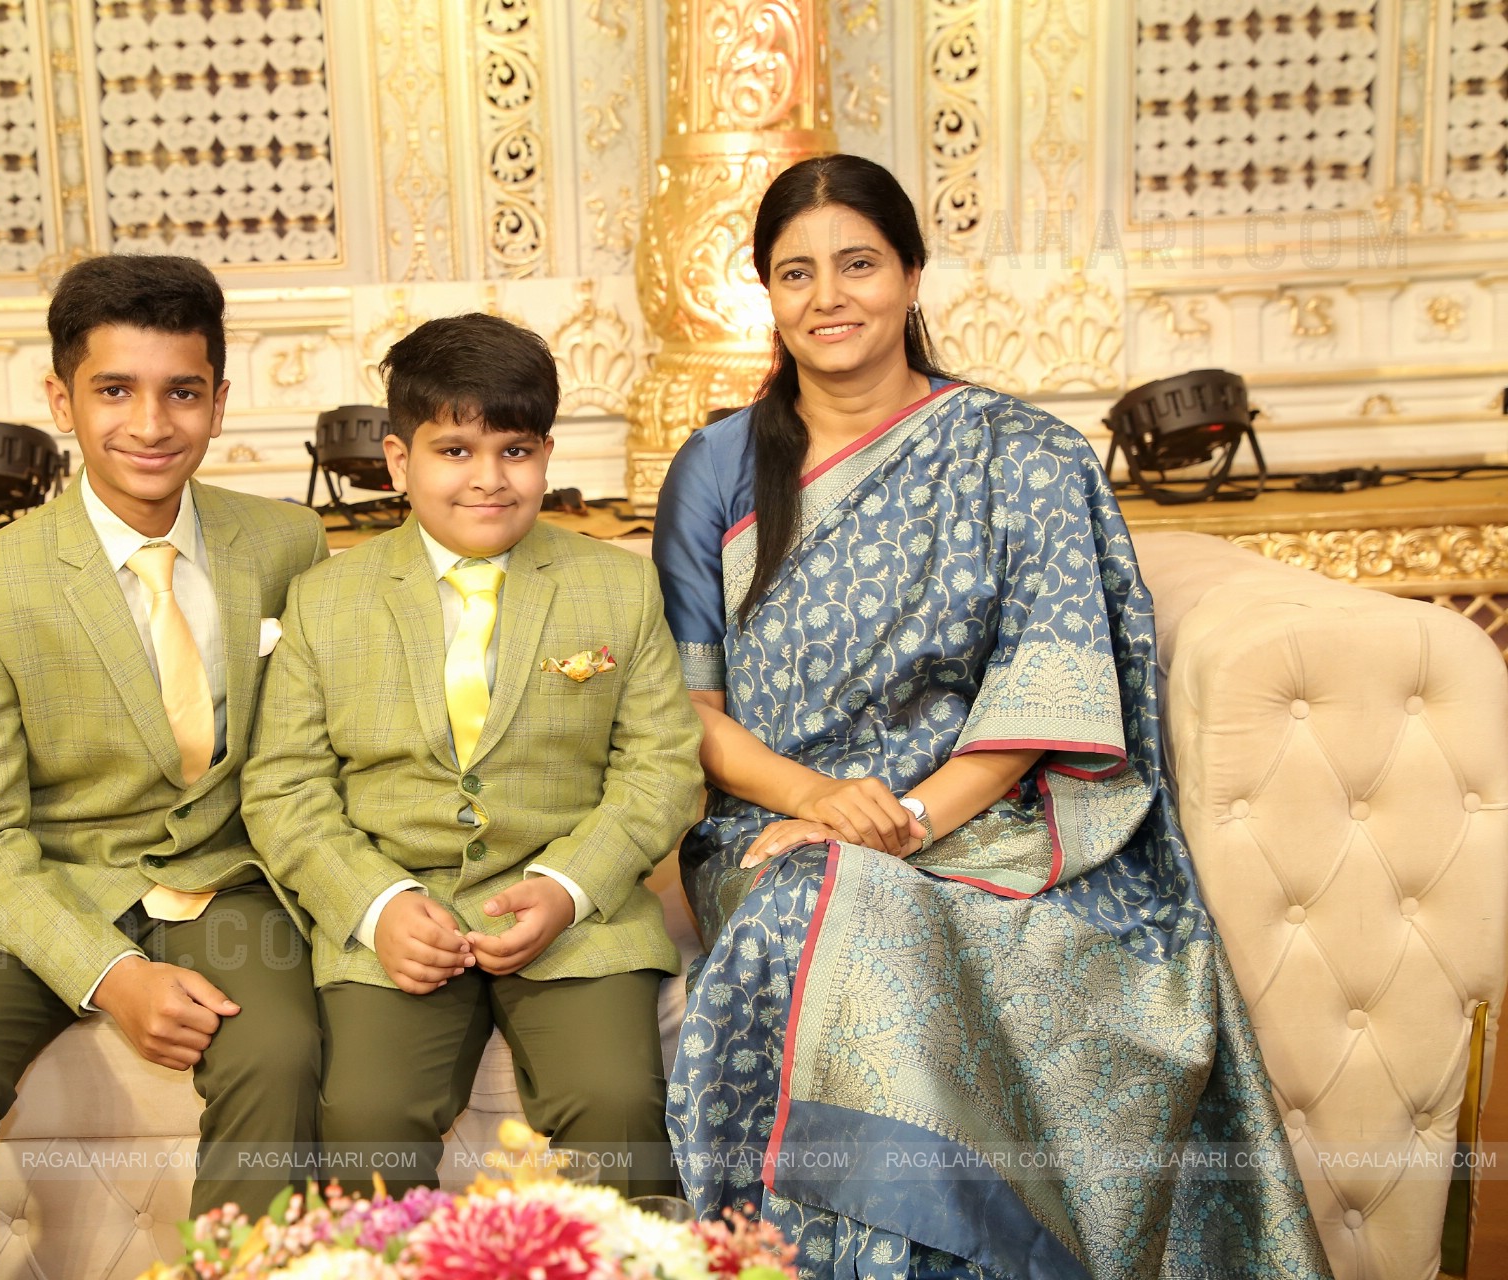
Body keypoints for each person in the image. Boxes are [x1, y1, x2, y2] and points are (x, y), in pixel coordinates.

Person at [654, 155, 1331, 1279]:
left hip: (986, 821)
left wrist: (898, 821)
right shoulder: (721, 465)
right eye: (795, 272)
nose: (829, 296)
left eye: (859, 263)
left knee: (860, 905)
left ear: (913, 275)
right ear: (766, 295)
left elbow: (1045, 696)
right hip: (773, 823)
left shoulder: (1022, 458)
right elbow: (691, 708)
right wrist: (818, 800)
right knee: (814, 906)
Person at [0, 255, 326, 1264]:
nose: (151, 424)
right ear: (60, 398)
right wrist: (111, 975)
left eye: (182, 392)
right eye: (114, 389)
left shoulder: (288, 542)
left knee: (284, 1050)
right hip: (33, 881)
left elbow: (309, 759)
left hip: (224, 872)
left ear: (219, 399)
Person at [242, 312, 702, 1197]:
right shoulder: (324, 600)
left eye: (516, 451)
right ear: (395, 460)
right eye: (454, 450)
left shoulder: (619, 582)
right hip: (399, 912)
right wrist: (376, 906)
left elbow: (661, 769)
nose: (489, 479)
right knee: (365, 1118)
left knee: (617, 1103)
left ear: (546, 454)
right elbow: (285, 788)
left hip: (578, 918)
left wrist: (569, 889)